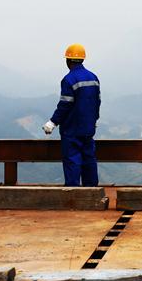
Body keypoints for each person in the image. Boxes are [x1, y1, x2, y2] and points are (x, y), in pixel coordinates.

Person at [42, 43, 101, 186]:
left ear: (68, 60)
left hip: (72, 130)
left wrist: (52, 122)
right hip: (88, 128)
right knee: (89, 160)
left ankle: (74, 194)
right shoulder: (93, 78)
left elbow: (65, 105)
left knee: (72, 161)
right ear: (82, 59)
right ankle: (92, 192)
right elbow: (97, 102)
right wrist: (94, 119)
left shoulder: (69, 79)